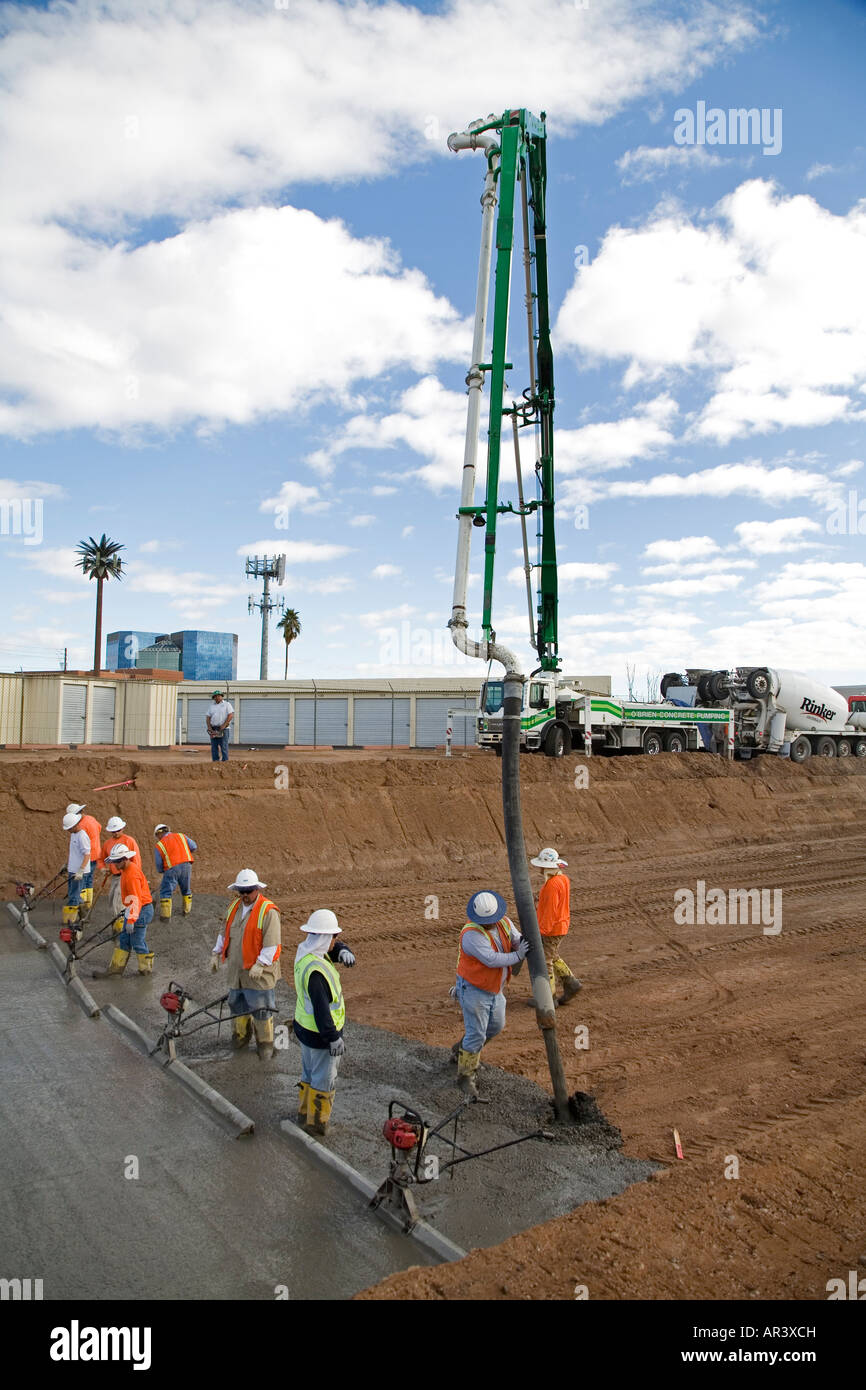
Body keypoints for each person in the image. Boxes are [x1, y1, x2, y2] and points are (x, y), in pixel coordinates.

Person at [452, 890, 529, 1099]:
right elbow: (492, 959)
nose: (489, 924)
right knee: (477, 1033)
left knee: (495, 1026)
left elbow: (514, 938)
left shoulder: (504, 922)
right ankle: (466, 1075)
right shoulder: (471, 935)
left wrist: (520, 943)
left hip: (494, 988)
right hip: (475, 990)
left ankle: (462, 1051)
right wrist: (518, 955)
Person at [293, 909, 355, 1136]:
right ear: (325, 938)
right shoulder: (317, 972)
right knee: (323, 1081)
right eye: (334, 937)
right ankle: (317, 1126)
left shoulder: (307, 953)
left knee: (309, 1075)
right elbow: (322, 1011)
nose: (336, 941)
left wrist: (344, 950)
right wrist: (333, 1038)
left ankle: (303, 1115)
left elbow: (331, 947)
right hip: (320, 1037)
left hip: (305, 1031)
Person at [210, 869, 281, 1060]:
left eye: (248, 891)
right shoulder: (234, 907)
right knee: (236, 1004)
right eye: (241, 891)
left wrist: (261, 963)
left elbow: (272, 944)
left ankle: (265, 1046)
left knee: (261, 1008)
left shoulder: (268, 911)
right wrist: (216, 953)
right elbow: (224, 932)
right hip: (237, 972)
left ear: (257, 889)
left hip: (258, 974)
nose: (245, 895)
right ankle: (240, 1038)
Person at [93, 843, 155, 976]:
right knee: (124, 939)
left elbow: (136, 898)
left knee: (137, 941)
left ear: (125, 859)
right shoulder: (125, 870)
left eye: (117, 861)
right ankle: (115, 970)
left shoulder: (132, 874)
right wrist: (127, 911)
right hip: (133, 908)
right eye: (114, 861)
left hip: (142, 910)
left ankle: (145, 970)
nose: (114, 864)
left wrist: (131, 920)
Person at [531, 847, 581, 1005]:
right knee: (553, 956)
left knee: (545, 960)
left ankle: (549, 997)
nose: (539, 869)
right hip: (561, 924)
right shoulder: (563, 879)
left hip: (553, 928)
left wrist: (542, 931)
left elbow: (551, 911)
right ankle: (571, 983)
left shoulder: (552, 885)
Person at [98, 816, 141, 921]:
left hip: (126, 875)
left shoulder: (129, 841)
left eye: (118, 830)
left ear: (122, 828)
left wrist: (134, 875)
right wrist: (103, 869)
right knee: (112, 898)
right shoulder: (107, 843)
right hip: (114, 877)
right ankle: (119, 921)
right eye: (113, 831)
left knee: (119, 901)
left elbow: (136, 860)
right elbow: (101, 859)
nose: (116, 833)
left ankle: (120, 925)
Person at [153, 823, 197, 918]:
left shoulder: (159, 845)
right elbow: (194, 846)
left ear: (158, 834)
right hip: (187, 864)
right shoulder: (181, 836)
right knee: (186, 889)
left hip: (172, 868)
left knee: (165, 892)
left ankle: (165, 918)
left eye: (157, 836)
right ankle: (186, 912)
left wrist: (162, 871)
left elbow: (159, 864)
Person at [65, 802, 102, 910]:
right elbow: (99, 828)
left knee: (82, 881)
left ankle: (82, 905)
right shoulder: (91, 818)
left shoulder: (81, 826)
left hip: (87, 856)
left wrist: (80, 868)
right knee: (89, 880)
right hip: (96, 853)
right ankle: (87, 904)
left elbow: (83, 849)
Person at [62, 810, 91, 925]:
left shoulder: (82, 836)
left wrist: (81, 870)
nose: (68, 830)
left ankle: (71, 920)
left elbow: (87, 854)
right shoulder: (74, 834)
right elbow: (73, 853)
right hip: (72, 869)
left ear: (75, 825)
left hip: (79, 872)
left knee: (74, 896)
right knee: (73, 893)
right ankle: (84, 916)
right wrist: (67, 865)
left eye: (69, 828)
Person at [206, 691, 234, 762]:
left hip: (224, 729)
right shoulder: (211, 707)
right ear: (214, 698)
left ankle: (225, 762)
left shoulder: (227, 704)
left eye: (219, 696)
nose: (217, 697)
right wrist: (209, 727)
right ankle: (215, 761)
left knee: (224, 746)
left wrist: (224, 725)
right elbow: (208, 717)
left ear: (222, 696)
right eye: (215, 696)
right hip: (214, 729)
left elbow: (230, 715)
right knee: (214, 746)